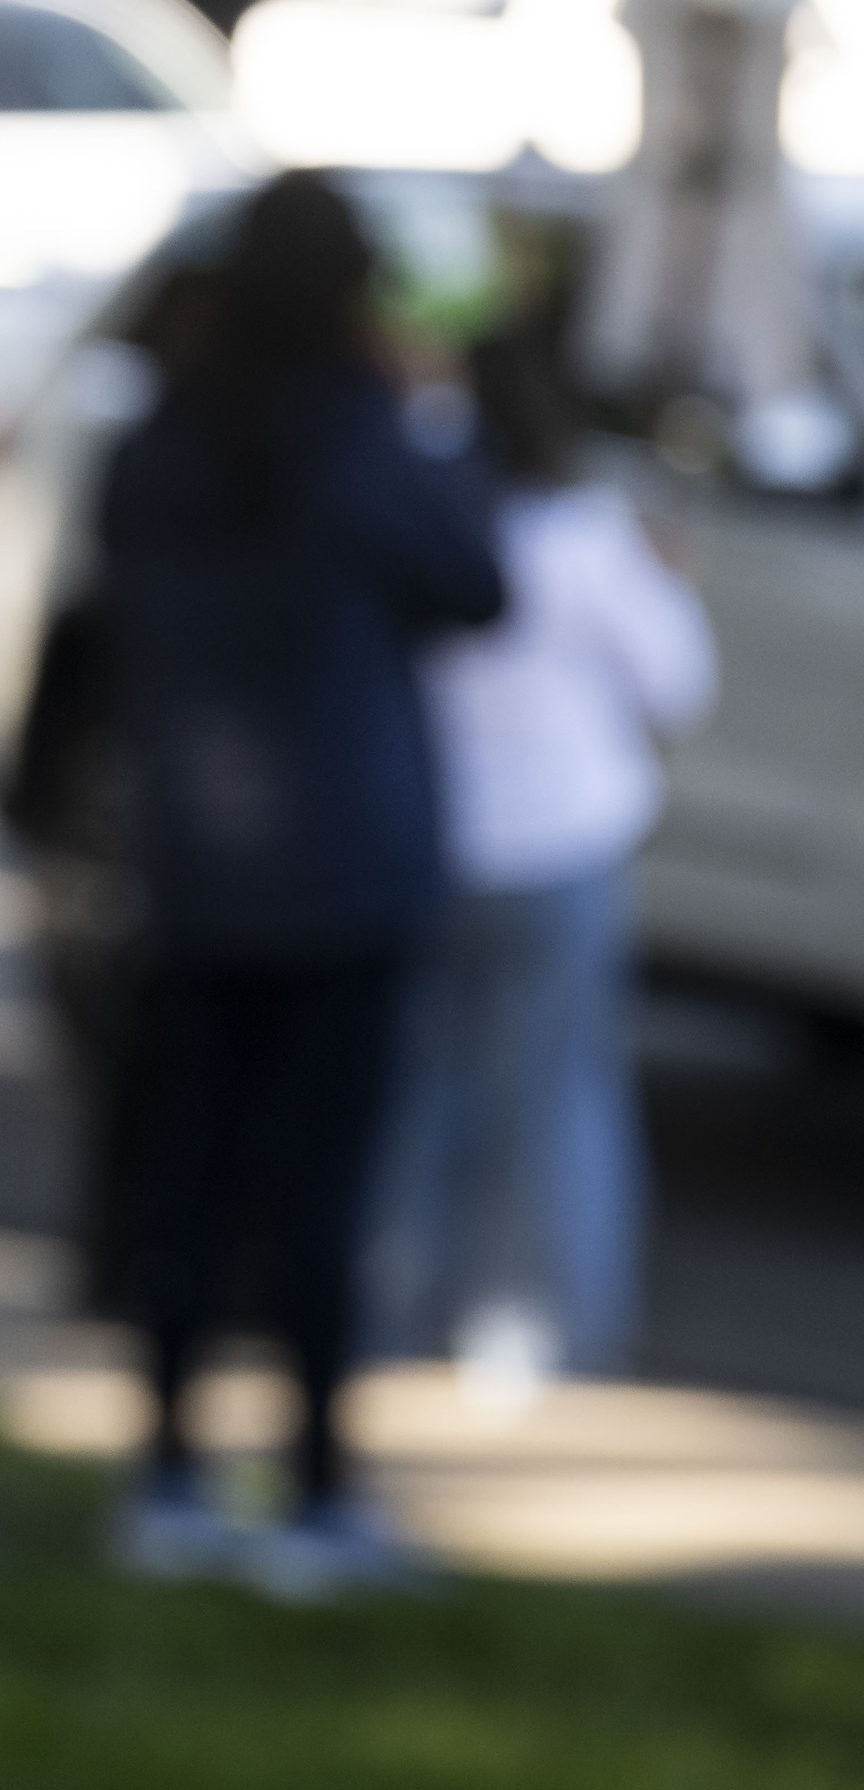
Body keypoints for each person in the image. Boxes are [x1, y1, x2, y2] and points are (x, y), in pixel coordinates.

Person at [98, 171, 505, 1598]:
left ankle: (167, 1477)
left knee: (190, 1180)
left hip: (194, 862)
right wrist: (426, 404)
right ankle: (321, 1494)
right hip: (352, 868)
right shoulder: (361, 431)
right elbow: (478, 581)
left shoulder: (156, 438)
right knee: (324, 1196)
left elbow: (108, 621)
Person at [373, 324, 716, 1406]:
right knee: (556, 1101)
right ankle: (542, 1343)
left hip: (434, 841)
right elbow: (677, 683)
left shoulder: (427, 515)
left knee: (416, 1095)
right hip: (562, 848)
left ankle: (389, 1317)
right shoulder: (589, 537)